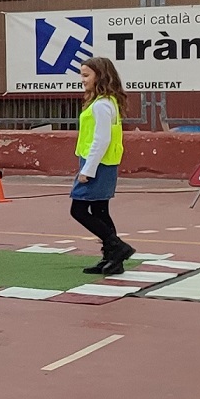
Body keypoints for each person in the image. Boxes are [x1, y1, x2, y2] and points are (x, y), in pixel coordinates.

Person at [69, 56, 136, 275]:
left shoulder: (101, 105)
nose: (82, 79)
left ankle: (117, 247)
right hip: (103, 163)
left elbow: (101, 139)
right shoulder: (107, 102)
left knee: (78, 210)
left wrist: (87, 170)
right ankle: (112, 259)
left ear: (100, 76)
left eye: (86, 75)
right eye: (82, 75)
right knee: (100, 210)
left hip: (97, 164)